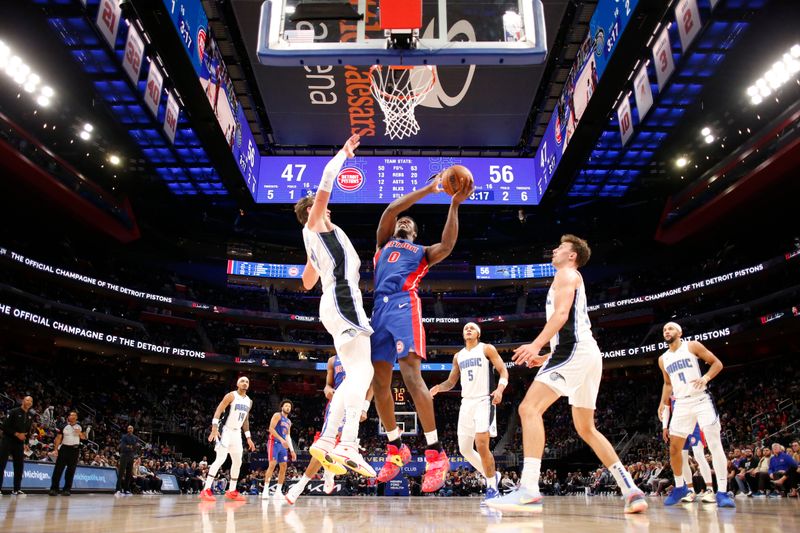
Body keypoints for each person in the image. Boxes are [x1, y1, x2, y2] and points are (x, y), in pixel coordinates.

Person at [488, 235, 648, 514]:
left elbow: (562, 314)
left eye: (560, 247)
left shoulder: (566, 273)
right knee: (586, 428)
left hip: (574, 351)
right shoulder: (570, 276)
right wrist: (547, 355)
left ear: (572, 255)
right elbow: (572, 324)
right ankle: (631, 489)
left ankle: (528, 489)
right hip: (584, 353)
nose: (554, 250)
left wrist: (536, 344)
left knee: (528, 409)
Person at [371, 170, 473, 492]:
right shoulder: (383, 244)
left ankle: (435, 453)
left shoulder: (422, 253)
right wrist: (429, 189)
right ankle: (395, 447)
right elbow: (391, 211)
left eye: (410, 225)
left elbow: (448, 244)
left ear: (415, 235)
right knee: (378, 382)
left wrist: (454, 204)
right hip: (378, 310)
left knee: (413, 378)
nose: (404, 223)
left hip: (404, 305)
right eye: (403, 222)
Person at [295, 135, 376, 483]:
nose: (328, 207)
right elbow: (327, 181)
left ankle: (330, 439)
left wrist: (316, 258)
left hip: (335, 302)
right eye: (321, 206)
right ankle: (349, 442)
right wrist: (343, 152)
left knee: (357, 372)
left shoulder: (314, 239)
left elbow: (306, 282)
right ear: (314, 210)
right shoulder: (316, 224)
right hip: (344, 300)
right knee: (364, 372)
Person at [656, 322, 735, 508]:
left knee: (714, 444)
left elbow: (717, 363)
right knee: (674, 450)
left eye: (670, 328)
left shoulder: (692, 345)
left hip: (701, 399)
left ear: (680, 332)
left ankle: (722, 492)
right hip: (681, 404)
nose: (667, 331)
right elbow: (667, 384)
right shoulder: (663, 359)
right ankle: (680, 487)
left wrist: (706, 377)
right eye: (664, 330)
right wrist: (662, 402)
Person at [430, 322, 509, 505]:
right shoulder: (458, 356)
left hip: (484, 400)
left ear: (478, 334)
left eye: (472, 328)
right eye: (466, 328)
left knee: (481, 444)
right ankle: (493, 475)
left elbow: (503, 370)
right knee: (464, 449)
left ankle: (492, 488)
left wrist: (500, 390)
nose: (468, 329)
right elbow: (451, 382)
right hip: (466, 403)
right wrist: (438, 388)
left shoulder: (486, 349)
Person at [286, 354, 374, 504]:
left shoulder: (362, 352)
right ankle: (303, 485)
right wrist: (327, 390)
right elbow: (328, 385)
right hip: (335, 404)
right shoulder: (333, 360)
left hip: (353, 403)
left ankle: (326, 474)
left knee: (339, 444)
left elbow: (371, 384)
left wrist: (365, 407)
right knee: (323, 446)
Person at [199, 376, 256, 502]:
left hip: (236, 433)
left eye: (247, 381)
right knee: (221, 459)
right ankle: (206, 489)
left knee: (238, 461)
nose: (245, 383)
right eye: (242, 381)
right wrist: (214, 428)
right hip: (225, 430)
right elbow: (219, 410)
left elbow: (245, 420)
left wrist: (248, 438)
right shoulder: (231, 395)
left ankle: (231, 491)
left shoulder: (249, 401)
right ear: (237, 383)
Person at [661, 398, 715, 502]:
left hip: (694, 423)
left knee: (699, 455)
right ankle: (690, 491)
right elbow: (666, 408)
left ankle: (710, 490)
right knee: (682, 459)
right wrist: (664, 427)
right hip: (678, 426)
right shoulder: (669, 388)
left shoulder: (686, 384)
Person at [0, 395, 35, 495]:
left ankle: (16, 489)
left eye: (31, 401)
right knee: (1, 465)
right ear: (23, 400)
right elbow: (4, 426)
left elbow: (27, 431)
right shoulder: (13, 411)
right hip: (7, 441)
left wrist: (27, 443)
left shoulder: (30, 415)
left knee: (19, 466)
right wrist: (16, 434)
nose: (29, 402)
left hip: (19, 444)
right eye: (27, 400)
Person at [262, 400, 297, 499]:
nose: (288, 408)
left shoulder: (289, 421)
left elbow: (288, 436)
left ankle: (278, 491)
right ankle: (265, 490)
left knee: (284, 466)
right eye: (286, 406)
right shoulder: (277, 415)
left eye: (289, 407)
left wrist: (292, 450)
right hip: (274, 442)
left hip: (282, 445)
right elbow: (271, 429)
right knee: (272, 465)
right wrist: (281, 439)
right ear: (282, 407)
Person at [49, 410, 86, 496]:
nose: (72, 417)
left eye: (74, 416)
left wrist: (80, 433)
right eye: (71, 415)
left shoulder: (80, 426)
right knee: (58, 469)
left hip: (75, 450)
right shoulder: (63, 426)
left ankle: (67, 489)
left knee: (71, 471)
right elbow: (58, 438)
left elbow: (84, 438)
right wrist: (55, 449)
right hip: (64, 449)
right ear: (68, 417)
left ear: (76, 417)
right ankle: (54, 488)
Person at [116, 425, 139, 495]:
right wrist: (131, 447)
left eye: (131, 428)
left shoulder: (135, 437)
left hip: (131, 456)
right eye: (129, 428)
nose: (130, 429)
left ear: (133, 429)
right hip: (124, 456)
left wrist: (130, 446)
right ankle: (118, 489)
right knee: (121, 473)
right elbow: (123, 447)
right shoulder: (124, 437)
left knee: (129, 474)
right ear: (127, 429)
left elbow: (136, 447)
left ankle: (126, 489)